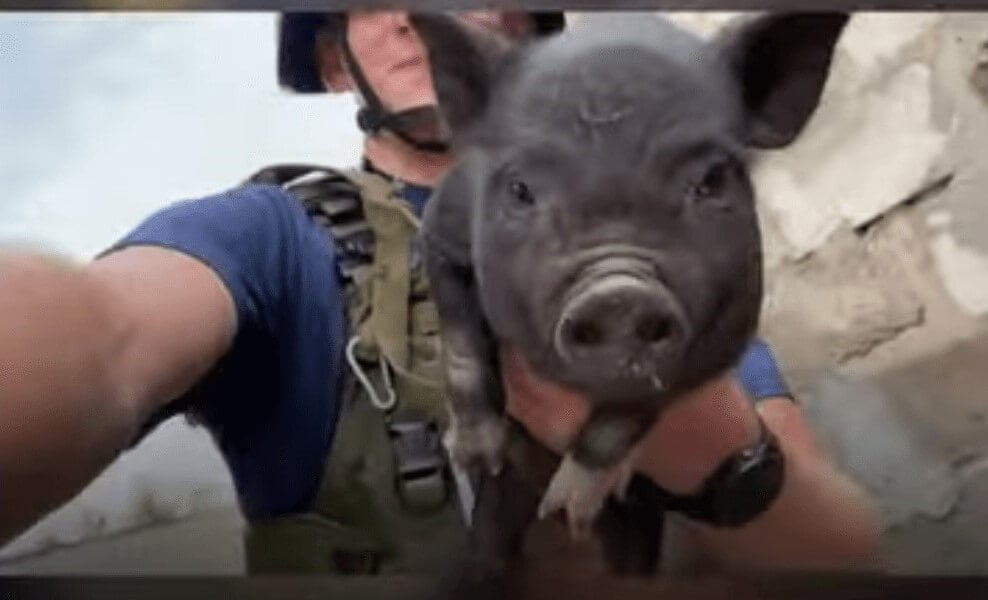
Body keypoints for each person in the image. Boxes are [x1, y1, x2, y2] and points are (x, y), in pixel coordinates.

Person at [0, 10, 880, 577]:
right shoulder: (270, 239)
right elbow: (99, 334)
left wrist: (700, 439)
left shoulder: (682, 243)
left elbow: (842, 558)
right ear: (333, 61)